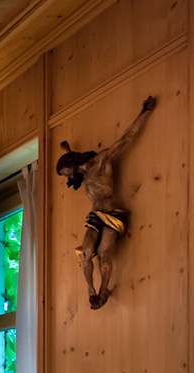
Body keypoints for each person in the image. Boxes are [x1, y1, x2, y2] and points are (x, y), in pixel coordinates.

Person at [56, 96, 156, 309]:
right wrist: (67, 151)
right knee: (85, 253)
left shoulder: (101, 161)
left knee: (103, 254)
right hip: (94, 216)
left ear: (71, 165)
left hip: (112, 215)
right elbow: (72, 160)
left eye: (65, 173)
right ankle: (91, 290)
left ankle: (103, 290)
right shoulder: (82, 172)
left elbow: (126, 139)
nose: (67, 177)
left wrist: (144, 112)